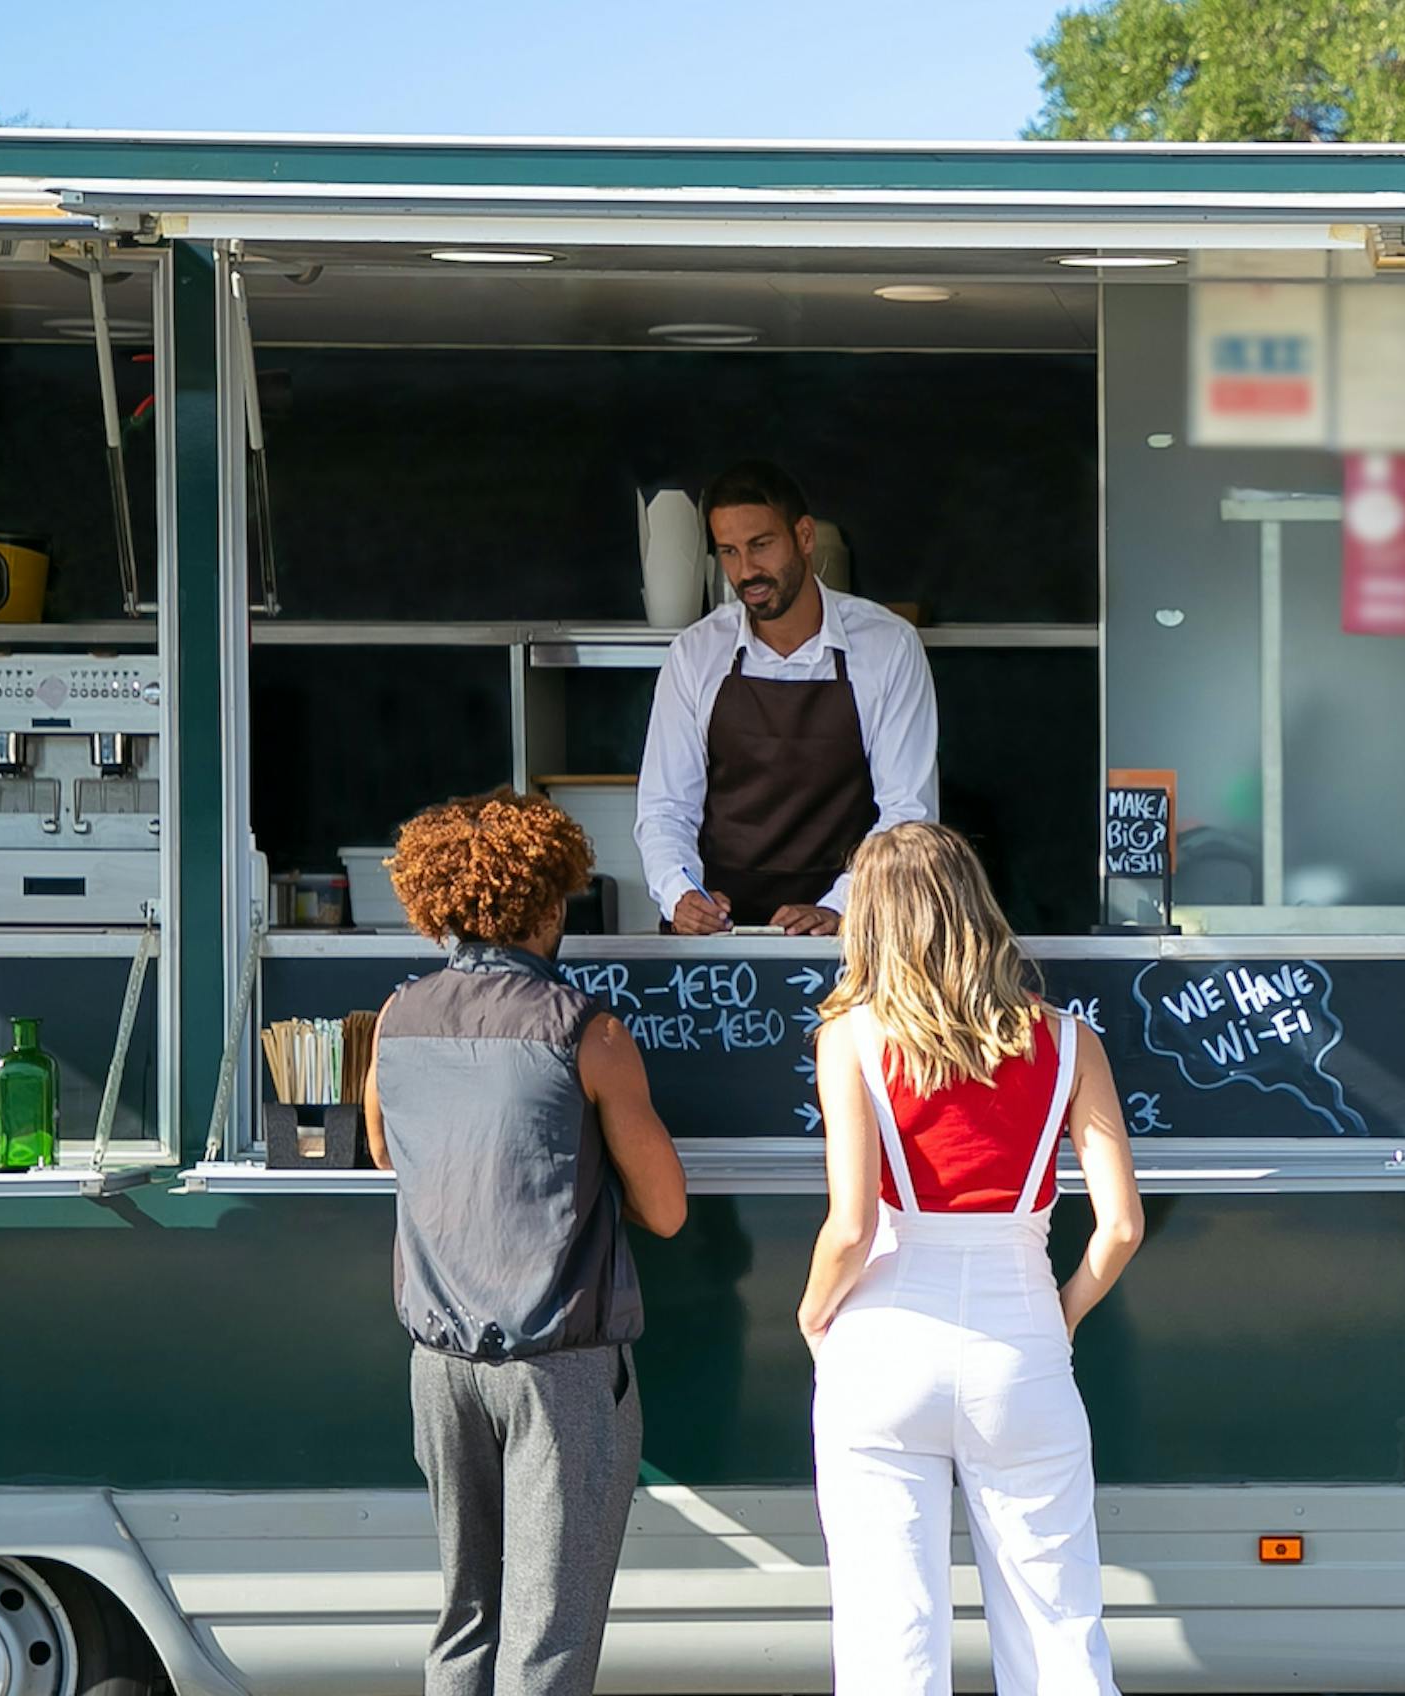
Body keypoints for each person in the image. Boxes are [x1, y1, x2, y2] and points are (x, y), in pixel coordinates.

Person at [799, 821, 1147, 1696]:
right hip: (1020, 1342)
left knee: (890, 1643)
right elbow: (1121, 1229)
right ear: (978, 907)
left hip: (882, 1340)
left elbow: (849, 1227)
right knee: (1058, 1634)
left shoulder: (849, 1038)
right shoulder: (1070, 1042)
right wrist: (1058, 1317)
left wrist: (812, 1312)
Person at [365, 790, 690, 1696]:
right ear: (548, 903)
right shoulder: (589, 1033)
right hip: (560, 1369)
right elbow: (665, 1209)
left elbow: (390, 1148)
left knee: (466, 1617)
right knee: (547, 1637)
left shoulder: (395, 1020)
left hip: (439, 1363)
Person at [637, 460, 940, 938]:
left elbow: (909, 815)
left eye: (760, 546)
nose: (746, 571)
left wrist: (843, 905)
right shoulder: (695, 654)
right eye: (729, 553)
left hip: (849, 932)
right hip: (721, 935)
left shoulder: (888, 647)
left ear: (803, 536)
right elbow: (665, 808)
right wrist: (681, 893)